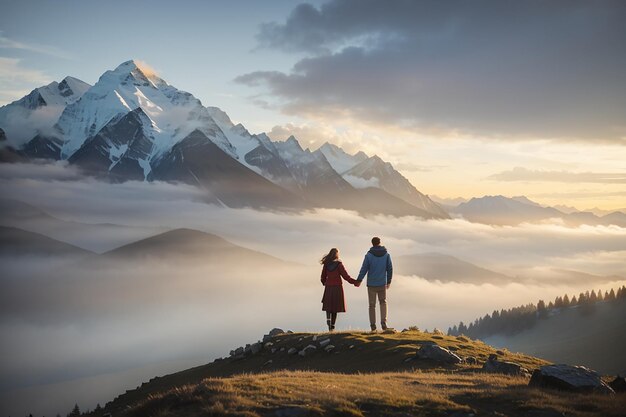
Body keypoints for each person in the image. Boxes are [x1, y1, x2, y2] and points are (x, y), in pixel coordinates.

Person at [355, 236, 393, 332]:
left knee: (372, 305)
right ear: (380, 243)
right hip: (382, 283)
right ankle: (384, 323)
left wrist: (359, 280)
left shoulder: (368, 255)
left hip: (371, 284)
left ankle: (373, 326)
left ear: (372, 243)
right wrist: (388, 281)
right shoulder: (386, 254)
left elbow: (364, 269)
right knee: (383, 302)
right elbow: (390, 269)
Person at [320, 247, 358, 331]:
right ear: (337, 255)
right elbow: (346, 277)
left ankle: (328, 321)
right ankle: (332, 326)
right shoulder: (339, 265)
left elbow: (322, 277)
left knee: (328, 306)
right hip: (337, 287)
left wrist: (325, 283)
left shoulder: (326, 265)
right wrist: (355, 282)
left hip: (329, 287)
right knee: (335, 307)